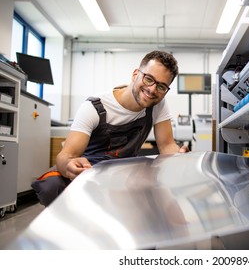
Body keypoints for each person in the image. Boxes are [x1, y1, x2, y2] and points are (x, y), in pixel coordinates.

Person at [32, 50, 189, 206]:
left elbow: (167, 145)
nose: (153, 89)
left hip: (125, 173)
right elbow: (66, 155)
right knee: (51, 186)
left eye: (161, 86)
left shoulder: (158, 105)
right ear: (136, 74)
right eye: (149, 79)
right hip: (89, 172)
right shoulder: (94, 107)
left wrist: (178, 157)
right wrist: (69, 166)